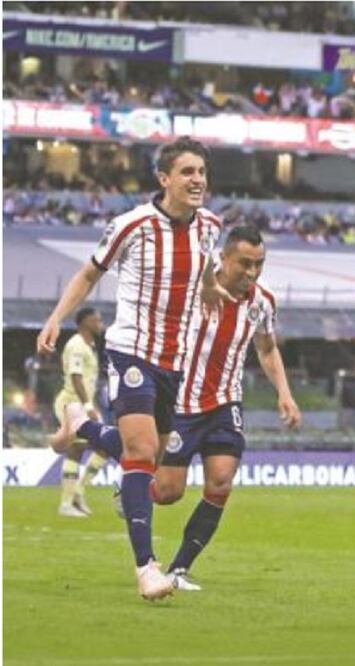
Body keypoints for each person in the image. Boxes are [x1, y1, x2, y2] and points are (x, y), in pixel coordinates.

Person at [56, 225, 302, 590]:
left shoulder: (262, 302)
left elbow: (266, 348)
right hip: (181, 403)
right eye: (244, 264)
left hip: (224, 403)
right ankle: (87, 430)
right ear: (223, 258)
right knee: (168, 492)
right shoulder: (192, 293)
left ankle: (179, 569)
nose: (251, 273)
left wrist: (284, 391)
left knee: (221, 481)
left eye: (259, 264)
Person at [38, 136, 228, 601]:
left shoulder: (210, 226)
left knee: (153, 464)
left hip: (175, 360)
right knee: (140, 450)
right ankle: (147, 568)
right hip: (132, 351)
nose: (197, 180)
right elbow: (89, 274)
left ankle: (81, 424)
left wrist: (209, 291)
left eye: (201, 172)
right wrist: (56, 318)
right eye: (187, 172)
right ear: (164, 179)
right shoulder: (132, 224)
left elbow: (203, 270)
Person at [49, 307, 108, 517]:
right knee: (76, 449)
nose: (100, 324)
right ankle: (66, 503)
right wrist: (88, 407)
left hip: (83, 404)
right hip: (71, 404)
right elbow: (76, 377)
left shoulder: (89, 345)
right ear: (85, 323)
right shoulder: (76, 345)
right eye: (96, 320)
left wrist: (91, 405)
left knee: (105, 446)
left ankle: (78, 491)